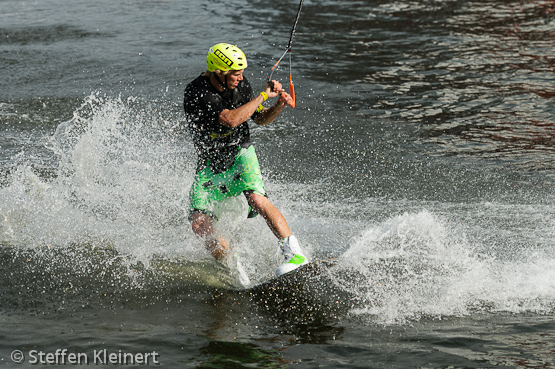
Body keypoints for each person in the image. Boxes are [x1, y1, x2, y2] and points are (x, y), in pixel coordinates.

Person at [183, 42, 308, 276]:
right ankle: (229, 264)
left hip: (240, 151)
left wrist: (278, 104)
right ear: (219, 72)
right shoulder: (198, 92)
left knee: (257, 199)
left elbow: (259, 119)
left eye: (242, 73)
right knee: (199, 223)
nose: (241, 78)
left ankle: (294, 254)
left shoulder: (241, 85)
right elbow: (230, 119)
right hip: (209, 161)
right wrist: (263, 95)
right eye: (235, 73)